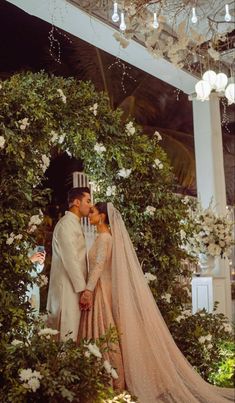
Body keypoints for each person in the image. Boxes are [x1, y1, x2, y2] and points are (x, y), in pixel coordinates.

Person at [79, 202, 234, 403]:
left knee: (107, 336)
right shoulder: (103, 237)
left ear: (101, 216)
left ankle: (111, 381)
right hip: (103, 289)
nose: (89, 214)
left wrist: (89, 290)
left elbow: (99, 266)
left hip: (101, 290)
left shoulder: (105, 238)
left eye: (92, 211)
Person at [47, 187, 91, 341]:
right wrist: (83, 290)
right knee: (66, 332)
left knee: (72, 332)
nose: (90, 205)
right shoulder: (66, 224)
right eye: (88, 201)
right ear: (77, 202)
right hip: (67, 288)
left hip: (74, 288)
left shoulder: (74, 223)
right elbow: (71, 260)